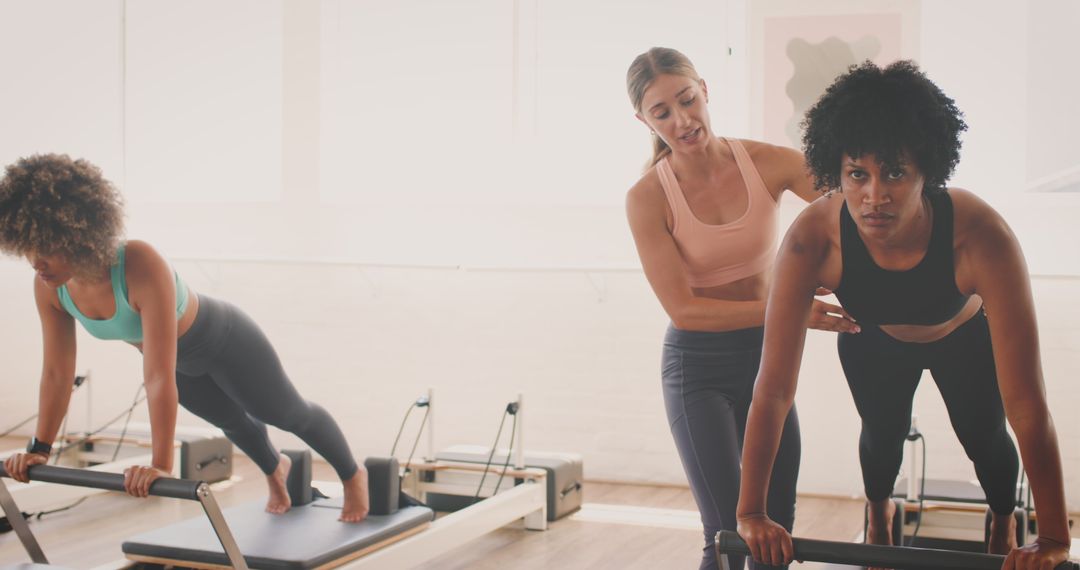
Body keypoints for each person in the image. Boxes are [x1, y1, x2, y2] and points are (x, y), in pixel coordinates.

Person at [735, 60, 1071, 570]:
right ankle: (878, 512)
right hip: (876, 340)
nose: (874, 195)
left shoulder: (981, 235)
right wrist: (751, 512)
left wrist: (1052, 538)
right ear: (837, 172)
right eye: (857, 175)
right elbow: (774, 388)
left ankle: (1002, 519)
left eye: (894, 172)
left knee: (985, 436)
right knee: (881, 434)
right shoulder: (812, 239)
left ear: (925, 171)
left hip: (963, 337)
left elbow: (1027, 406)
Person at [0, 154, 369, 522]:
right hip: (180, 363)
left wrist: (160, 464)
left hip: (227, 341)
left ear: (77, 236)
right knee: (232, 421)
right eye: (27, 247)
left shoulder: (139, 262)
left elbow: (157, 374)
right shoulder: (50, 288)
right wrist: (40, 450)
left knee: (283, 413)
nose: (35, 261)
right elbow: (56, 374)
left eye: (46, 247)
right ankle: (276, 470)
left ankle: (353, 475)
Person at [624, 47, 860, 570]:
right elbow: (685, 310)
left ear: (705, 90)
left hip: (765, 359)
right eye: (662, 112)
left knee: (778, 532)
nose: (682, 120)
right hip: (697, 368)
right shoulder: (647, 197)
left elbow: (851, 210)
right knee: (729, 536)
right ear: (644, 120)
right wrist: (789, 309)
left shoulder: (766, 161)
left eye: (687, 100)